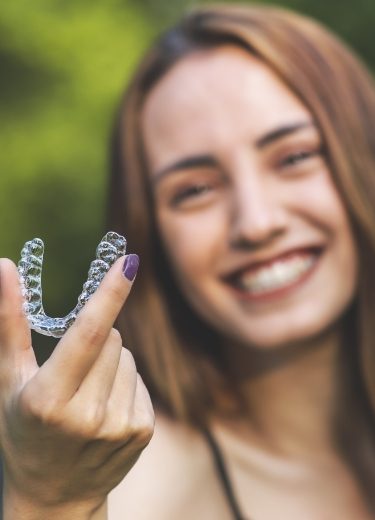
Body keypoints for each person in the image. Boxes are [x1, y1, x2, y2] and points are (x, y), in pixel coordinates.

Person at [1, 4, 375, 519]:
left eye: (293, 157)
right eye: (195, 189)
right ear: (150, 235)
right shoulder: (132, 490)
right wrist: (49, 502)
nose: (257, 222)